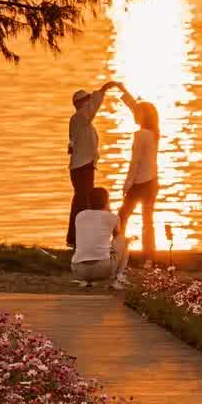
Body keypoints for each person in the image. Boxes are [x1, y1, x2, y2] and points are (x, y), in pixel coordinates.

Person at [67, 80, 118, 248]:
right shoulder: (79, 118)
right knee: (82, 203)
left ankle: (77, 238)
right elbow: (93, 108)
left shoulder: (84, 123)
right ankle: (76, 239)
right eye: (86, 99)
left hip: (85, 167)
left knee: (83, 202)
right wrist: (103, 89)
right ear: (79, 104)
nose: (89, 101)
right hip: (81, 168)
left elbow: (77, 143)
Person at [117, 92, 166, 259]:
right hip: (152, 181)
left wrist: (126, 185)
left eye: (138, 114)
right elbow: (135, 110)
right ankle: (149, 257)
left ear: (143, 116)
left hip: (139, 183)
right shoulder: (154, 133)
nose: (134, 116)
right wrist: (124, 94)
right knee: (148, 221)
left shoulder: (140, 135)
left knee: (122, 216)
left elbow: (135, 162)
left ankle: (119, 250)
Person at [70, 186, 128, 289]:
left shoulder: (80, 215)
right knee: (123, 240)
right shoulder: (112, 217)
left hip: (79, 269)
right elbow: (117, 238)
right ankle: (118, 278)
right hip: (103, 269)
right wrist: (108, 210)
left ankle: (87, 281)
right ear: (106, 201)